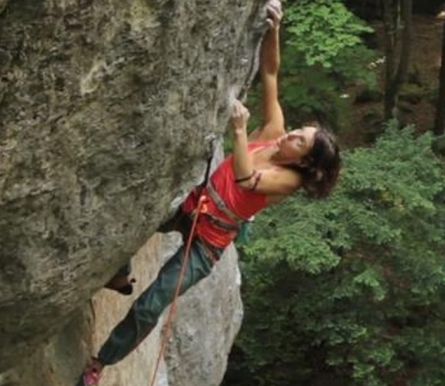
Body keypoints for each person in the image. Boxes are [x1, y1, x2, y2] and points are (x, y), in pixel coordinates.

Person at [76, 1, 341, 384]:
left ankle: (100, 362)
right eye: (300, 130)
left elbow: (247, 180)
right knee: (125, 222)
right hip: (193, 203)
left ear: (304, 161)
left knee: (152, 305)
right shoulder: (273, 131)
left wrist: (236, 131)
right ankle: (119, 275)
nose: (292, 133)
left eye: (301, 140)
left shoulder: (289, 180)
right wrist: (274, 29)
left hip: (208, 243)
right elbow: (270, 71)